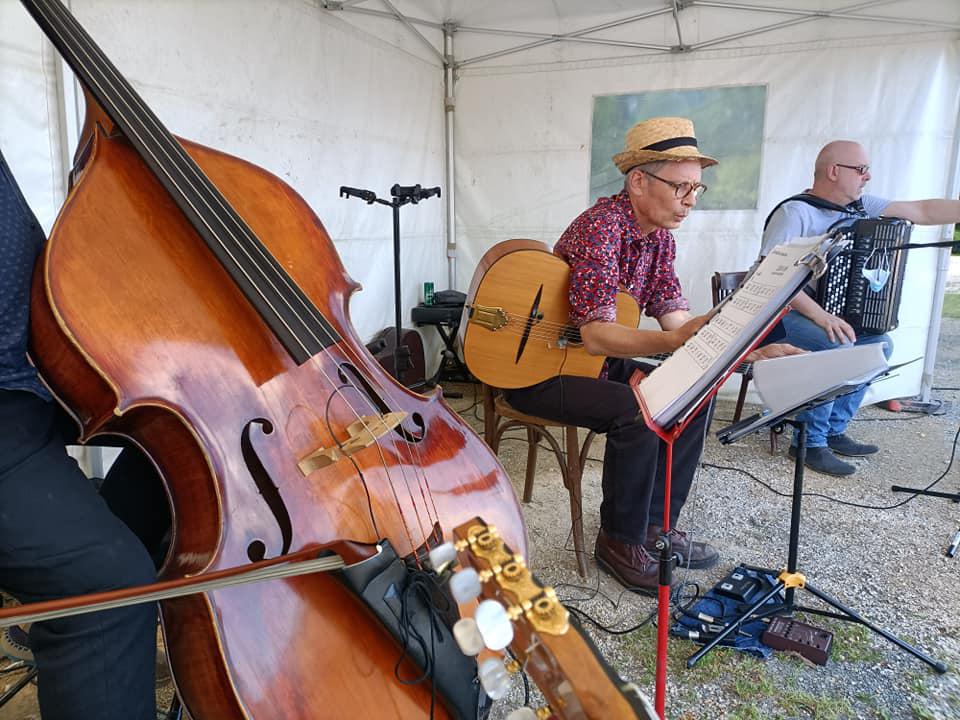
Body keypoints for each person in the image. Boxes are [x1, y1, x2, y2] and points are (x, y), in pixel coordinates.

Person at [504, 117, 798, 594]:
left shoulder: (659, 238)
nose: (689, 201)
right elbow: (598, 335)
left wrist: (746, 351)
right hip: (540, 368)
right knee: (636, 413)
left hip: (586, 364)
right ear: (638, 181)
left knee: (690, 390)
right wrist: (674, 343)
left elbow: (677, 321)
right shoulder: (600, 227)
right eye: (680, 186)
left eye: (697, 189)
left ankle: (656, 529)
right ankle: (618, 541)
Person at [0, 146, 161, 719]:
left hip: (36, 390)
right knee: (107, 586)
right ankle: (73, 601)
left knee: (174, 462)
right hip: (8, 415)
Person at [761, 140, 960, 477]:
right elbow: (773, 280)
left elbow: (923, 211)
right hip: (781, 314)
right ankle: (808, 441)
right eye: (861, 169)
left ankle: (834, 429)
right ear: (834, 171)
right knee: (835, 342)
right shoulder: (795, 212)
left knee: (879, 344)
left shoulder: (861, 206)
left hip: (822, 312)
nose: (868, 176)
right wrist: (821, 316)